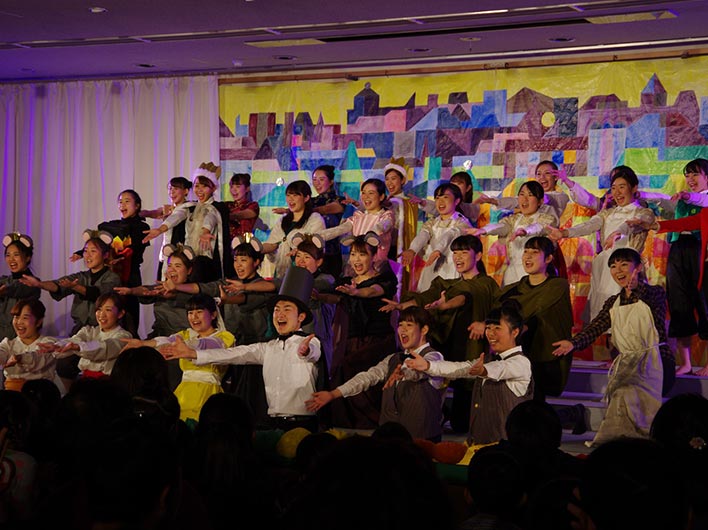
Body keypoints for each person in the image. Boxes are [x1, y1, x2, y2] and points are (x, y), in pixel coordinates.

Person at [161, 267, 321, 432]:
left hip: (303, 422)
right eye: (276, 310)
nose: (280, 314)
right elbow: (232, 354)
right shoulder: (268, 348)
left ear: (301, 317)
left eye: (286, 309)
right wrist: (192, 354)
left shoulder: (310, 341)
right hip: (274, 423)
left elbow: (314, 352)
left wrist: (306, 351)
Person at [552, 248, 670, 446]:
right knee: (621, 391)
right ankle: (620, 444)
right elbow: (596, 327)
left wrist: (636, 286)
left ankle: (644, 443)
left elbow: (649, 298)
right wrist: (573, 343)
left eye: (624, 264)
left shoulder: (655, 292)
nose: (618, 270)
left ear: (638, 268)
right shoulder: (613, 303)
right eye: (613, 266)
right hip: (628, 363)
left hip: (656, 361)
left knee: (627, 392)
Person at [382, 234, 499, 431]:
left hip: (470, 345)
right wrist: (402, 306)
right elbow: (426, 297)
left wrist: (446, 306)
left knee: (464, 410)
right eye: (455, 253)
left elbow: (464, 297)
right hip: (448, 340)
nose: (458, 257)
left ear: (478, 256)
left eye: (464, 252)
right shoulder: (447, 284)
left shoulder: (486, 284)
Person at [306, 306, 445, 441]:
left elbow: (421, 371)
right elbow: (367, 377)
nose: (402, 329)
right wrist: (333, 394)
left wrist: (405, 373)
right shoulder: (393, 358)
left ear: (424, 329)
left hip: (421, 439)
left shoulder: (434, 357)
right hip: (390, 437)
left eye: (409, 325)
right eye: (400, 325)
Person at [406, 299, 532, 445]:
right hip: (478, 443)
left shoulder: (521, 362)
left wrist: (484, 370)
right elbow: (459, 368)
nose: (490, 333)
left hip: (505, 448)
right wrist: (428, 365)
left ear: (515, 332)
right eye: (488, 328)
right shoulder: (488, 360)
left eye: (497, 328)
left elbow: (501, 369)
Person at [548, 166, 654, 321]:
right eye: (614, 188)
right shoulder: (607, 213)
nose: (617, 192)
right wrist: (564, 233)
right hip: (605, 266)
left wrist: (618, 232)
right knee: (602, 314)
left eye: (622, 187)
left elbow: (635, 224)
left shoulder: (643, 212)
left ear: (634, 188)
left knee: (625, 315)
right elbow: (589, 225)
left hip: (627, 268)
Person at [321, 233, 398, 428]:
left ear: (373, 256)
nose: (356, 259)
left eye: (362, 254)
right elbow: (336, 297)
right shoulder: (347, 281)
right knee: (346, 375)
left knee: (366, 378)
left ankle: (373, 422)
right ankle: (351, 425)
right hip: (353, 340)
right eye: (353, 254)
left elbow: (372, 291)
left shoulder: (385, 279)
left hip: (377, 341)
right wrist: (318, 296)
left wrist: (356, 292)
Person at [121, 293, 235, 422]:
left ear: (213, 315)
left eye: (199, 312)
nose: (194, 317)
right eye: (190, 313)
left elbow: (208, 344)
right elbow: (167, 340)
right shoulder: (186, 334)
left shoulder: (224, 337)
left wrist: (187, 345)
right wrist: (143, 343)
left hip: (208, 391)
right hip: (184, 391)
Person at [488, 236, 574, 402]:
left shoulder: (557, 286)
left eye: (534, 252)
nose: (527, 256)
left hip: (544, 356)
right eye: (525, 252)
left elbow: (534, 308)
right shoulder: (511, 289)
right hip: (516, 355)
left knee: (536, 402)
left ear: (548, 258)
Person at [650, 159, 708, 375]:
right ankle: (686, 362)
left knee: (705, 302)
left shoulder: (702, 198)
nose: (690, 179)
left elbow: (700, 200)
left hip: (701, 250)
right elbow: (662, 199)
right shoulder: (682, 201)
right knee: (679, 301)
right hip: (678, 249)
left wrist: (687, 196)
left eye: (695, 174)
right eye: (687, 175)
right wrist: (640, 195)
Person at [21, 230, 121, 335]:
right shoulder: (81, 276)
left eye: (93, 251)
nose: (88, 255)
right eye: (85, 251)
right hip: (80, 331)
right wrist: (39, 284)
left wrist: (75, 287)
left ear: (105, 255)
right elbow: (57, 285)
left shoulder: (113, 278)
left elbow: (97, 293)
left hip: (105, 331)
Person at [143, 162, 229, 282]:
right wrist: (160, 229)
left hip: (205, 260)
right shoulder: (190, 206)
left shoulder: (218, 207)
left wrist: (205, 231)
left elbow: (211, 217)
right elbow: (177, 215)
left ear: (213, 188)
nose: (199, 190)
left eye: (204, 186)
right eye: (197, 186)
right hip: (188, 258)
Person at [470, 181, 557, 286]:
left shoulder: (547, 219)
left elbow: (538, 227)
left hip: (536, 273)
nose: (525, 199)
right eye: (522, 194)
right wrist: (484, 230)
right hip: (512, 272)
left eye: (530, 195)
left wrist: (525, 231)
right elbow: (502, 226)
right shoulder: (514, 219)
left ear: (540, 201)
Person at [96, 189, 151, 334]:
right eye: (120, 202)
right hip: (112, 273)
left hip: (131, 275)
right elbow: (101, 228)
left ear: (137, 205)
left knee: (129, 316)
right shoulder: (115, 225)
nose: (122, 205)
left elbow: (134, 246)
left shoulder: (142, 227)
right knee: (110, 311)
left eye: (127, 201)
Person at [40, 292, 131, 378]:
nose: (101, 314)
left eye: (108, 310)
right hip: (86, 379)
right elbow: (74, 340)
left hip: (107, 382)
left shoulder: (124, 336)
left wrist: (78, 347)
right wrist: (57, 346)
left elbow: (105, 347)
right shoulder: (89, 331)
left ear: (120, 313)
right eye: (99, 309)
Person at [400, 183, 471, 292]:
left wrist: (438, 250)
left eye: (445, 197)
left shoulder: (461, 222)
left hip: (450, 268)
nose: (440, 202)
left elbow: (451, 234)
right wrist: (412, 249)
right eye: (437, 198)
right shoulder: (433, 222)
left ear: (457, 201)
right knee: (426, 295)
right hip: (431, 265)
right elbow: (423, 234)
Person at [321, 178, 395, 268]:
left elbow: (383, 226)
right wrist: (320, 235)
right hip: (356, 265)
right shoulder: (358, 216)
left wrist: (372, 233)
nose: (366, 197)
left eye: (371, 193)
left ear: (381, 196)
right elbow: (340, 229)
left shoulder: (386, 216)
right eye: (363, 193)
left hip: (376, 267)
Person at [262, 180, 326, 279]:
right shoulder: (283, 220)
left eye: (295, 195)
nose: (290, 199)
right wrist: (255, 249)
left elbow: (314, 246)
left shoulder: (314, 219)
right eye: (288, 195)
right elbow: (272, 244)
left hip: (302, 270)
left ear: (306, 198)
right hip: (281, 271)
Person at [0, 299, 62, 393]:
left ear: (39, 322)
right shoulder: (8, 344)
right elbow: (1, 353)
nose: (19, 322)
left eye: (25, 318)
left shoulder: (48, 343)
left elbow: (39, 357)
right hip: (12, 394)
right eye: (16, 317)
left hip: (40, 394)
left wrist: (20, 358)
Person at [142, 176, 194, 280]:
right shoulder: (169, 208)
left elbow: (176, 217)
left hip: (179, 255)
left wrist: (160, 230)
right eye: (170, 188)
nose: (172, 192)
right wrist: (138, 212)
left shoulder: (187, 208)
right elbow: (153, 212)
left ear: (186, 191)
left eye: (176, 188)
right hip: (166, 254)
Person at [0, 234, 40, 341]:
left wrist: (4, 290)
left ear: (27, 257)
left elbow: (15, 288)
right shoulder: (4, 280)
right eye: (8, 255)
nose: (11, 259)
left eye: (16, 255)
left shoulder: (33, 283)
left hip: (19, 340)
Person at [310, 165, 345, 277]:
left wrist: (306, 210)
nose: (317, 183)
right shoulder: (311, 201)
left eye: (321, 179)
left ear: (331, 181)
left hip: (331, 253)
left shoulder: (340, 200)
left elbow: (327, 209)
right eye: (314, 180)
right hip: (312, 253)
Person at [225, 172, 259, 241]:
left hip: (244, 243)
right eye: (231, 187)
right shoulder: (227, 205)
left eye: (238, 186)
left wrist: (227, 216)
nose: (234, 190)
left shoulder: (252, 205)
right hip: (227, 243)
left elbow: (244, 214)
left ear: (247, 189)